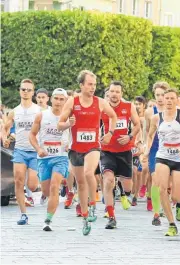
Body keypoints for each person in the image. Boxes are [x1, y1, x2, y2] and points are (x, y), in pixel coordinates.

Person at [58, 70, 117, 236]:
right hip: (75, 148)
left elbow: (113, 116)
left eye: (94, 84)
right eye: (90, 84)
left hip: (93, 146)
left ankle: (93, 206)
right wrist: (68, 123)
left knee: (89, 173)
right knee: (80, 184)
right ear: (81, 85)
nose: (93, 87)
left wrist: (110, 133)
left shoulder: (99, 102)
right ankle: (85, 218)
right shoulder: (72, 101)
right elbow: (59, 124)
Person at [145, 88, 180, 236]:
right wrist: (147, 150)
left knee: (175, 197)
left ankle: (179, 202)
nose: (168, 101)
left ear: (177, 100)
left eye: (171, 98)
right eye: (166, 98)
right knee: (162, 188)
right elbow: (149, 136)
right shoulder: (157, 118)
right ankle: (171, 223)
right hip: (162, 156)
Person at [100, 81, 141, 229]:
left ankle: (123, 192)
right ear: (108, 93)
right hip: (107, 150)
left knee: (128, 187)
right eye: (112, 91)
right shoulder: (102, 107)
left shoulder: (129, 106)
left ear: (121, 94)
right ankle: (111, 216)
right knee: (108, 180)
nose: (114, 94)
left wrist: (130, 137)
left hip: (124, 151)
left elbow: (137, 125)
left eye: (118, 92)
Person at [29, 88, 70, 231]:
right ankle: (45, 196)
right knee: (46, 190)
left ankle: (48, 220)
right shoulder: (41, 116)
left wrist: (70, 146)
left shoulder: (70, 117)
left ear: (65, 101)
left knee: (54, 186)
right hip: (44, 158)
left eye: (61, 99)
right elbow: (32, 135)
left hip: (61, 158)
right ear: (51, 99)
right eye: (56, 99)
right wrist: (38, 149)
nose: (58, 102)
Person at [2, 79, 41, 225]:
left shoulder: (38, 111)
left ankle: (35, 188)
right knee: (18, 181)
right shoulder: (14, 111)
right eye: (23, 89)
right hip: (19, 150)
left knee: (31, 185)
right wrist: (6, 139)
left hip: (34, 151)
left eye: (28, 90)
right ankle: (23, 214)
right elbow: (6, 127)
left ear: (33, 92)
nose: (25, 92)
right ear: (19, 91)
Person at [143, 81, 169, 224]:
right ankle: (156, 213)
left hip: (169, 149)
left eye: (162, 95)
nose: (160, 98)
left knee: (166, 182)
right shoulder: (149, 112)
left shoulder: (174, 111)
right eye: (157, 95)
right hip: (154, 148)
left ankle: (169, 204)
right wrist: (144, 148)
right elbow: (147, 132)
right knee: (155, 179)